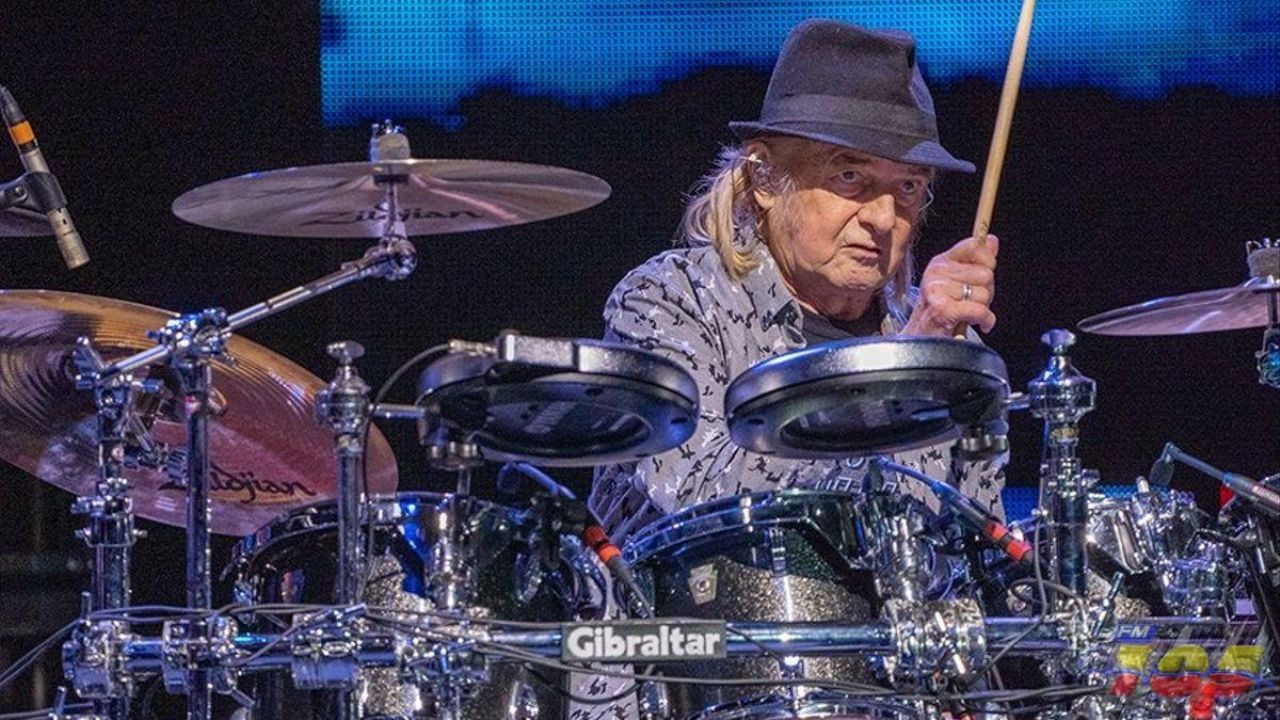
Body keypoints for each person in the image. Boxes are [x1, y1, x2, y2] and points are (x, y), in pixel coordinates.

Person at [588, 19, 1006, 542]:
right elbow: (698, 496)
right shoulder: (671, 300)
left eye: (907, 187)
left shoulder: (945, 343)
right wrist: (903, 377)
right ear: (764, 176)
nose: (883, 217)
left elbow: (980, 547)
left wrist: (928, 360)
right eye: (849, 176)